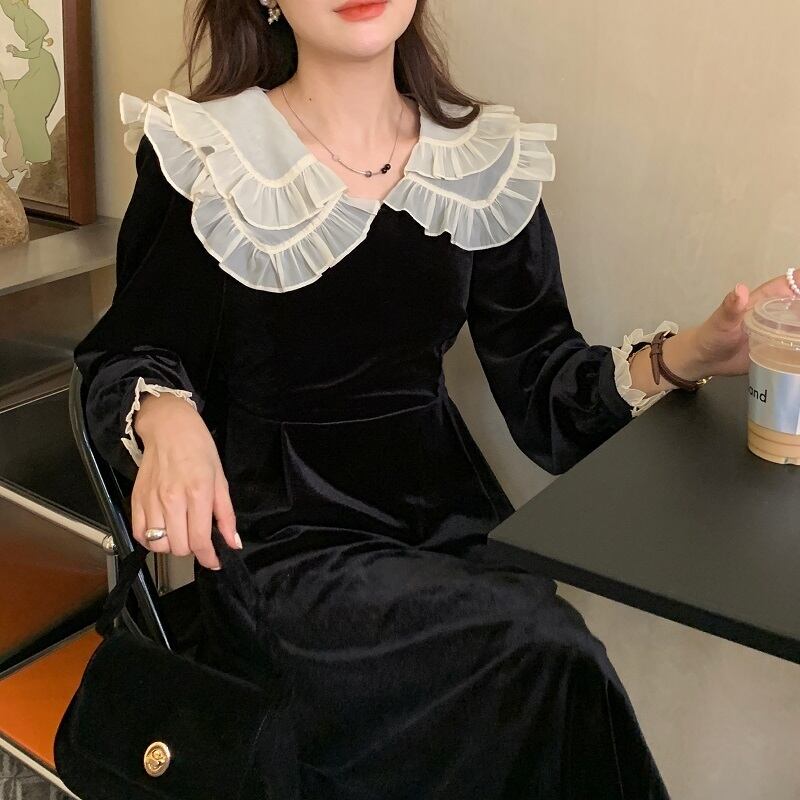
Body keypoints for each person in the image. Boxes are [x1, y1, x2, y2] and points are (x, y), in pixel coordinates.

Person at [73, 1, 795, 797]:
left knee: (530, 668)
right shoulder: (211, 152)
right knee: (550, 656)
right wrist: (166, 413)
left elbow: (546, 388)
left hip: (451, 531)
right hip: (284, 548)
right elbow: (126, 349)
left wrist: (691, 353)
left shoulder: (479, 160)